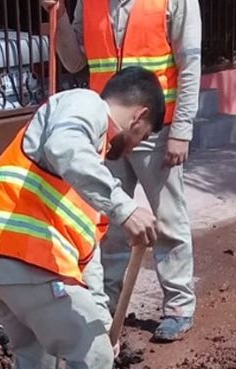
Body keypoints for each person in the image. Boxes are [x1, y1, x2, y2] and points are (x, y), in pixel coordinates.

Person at [0, 67, 164, 369]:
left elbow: (88, 265)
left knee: (37, 363)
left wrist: (102, 325)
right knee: (91, 360)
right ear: (139, 116)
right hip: (25, 256)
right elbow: (64, 145)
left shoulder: (86, 180)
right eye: (141, 137)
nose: (132, 148)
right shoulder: (85, 104)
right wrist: (125, 207)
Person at [43, 0, 202, 342]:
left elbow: (190, 63)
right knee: (108, 222)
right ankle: (108, 305)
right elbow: (73, 61)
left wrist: (181, 130)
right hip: (108, 129)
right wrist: (60, 14)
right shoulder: (90, 3)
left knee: (168, 219)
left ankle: (178, 306)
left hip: (155, 129)